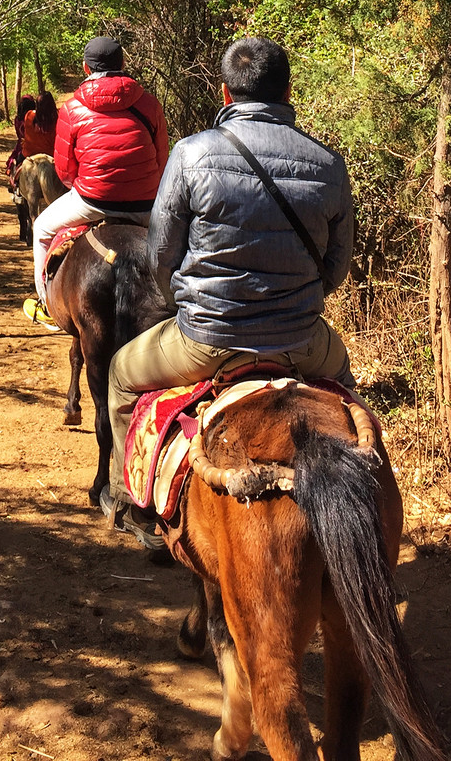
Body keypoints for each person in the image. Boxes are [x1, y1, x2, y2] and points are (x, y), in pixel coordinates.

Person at [102, 36, 355, 541]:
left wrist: (182, 300)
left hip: (205, 339)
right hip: (300, 343)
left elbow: (160, 255)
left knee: (120, 377)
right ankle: (359, 496)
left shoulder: (191, 153)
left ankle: (132, 503)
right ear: (288, 90)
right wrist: (299, 299)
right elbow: (336, 269)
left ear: (225, 93)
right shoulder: (328, 164)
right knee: (347, 394)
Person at [23, 37, 168, 326]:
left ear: (85, 68)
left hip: (92, 201)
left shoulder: (72, 108)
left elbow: (64, 172)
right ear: (123, 64)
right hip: (145, 205)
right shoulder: (149, 104)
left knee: (40, 228)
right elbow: (162, 161)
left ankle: (44, 304)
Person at [5, 93, 35, 190]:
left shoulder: (18, 119)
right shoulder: (36, 117)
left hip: (23, 146)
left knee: (15, 162)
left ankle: (14, 182)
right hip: (36, 144)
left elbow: (19, 134)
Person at [23, 90, 58, 158]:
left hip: (29, 154)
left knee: (17, 162)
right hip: (50, 155)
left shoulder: (29, 115)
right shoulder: (56, 120)